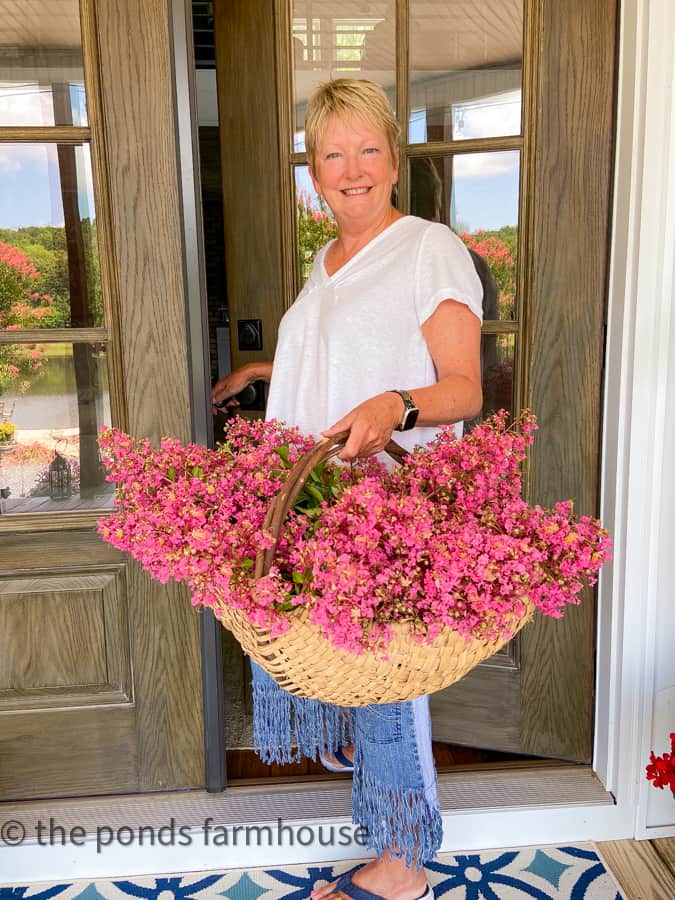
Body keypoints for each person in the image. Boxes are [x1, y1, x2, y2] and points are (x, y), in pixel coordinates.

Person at [211, 78, 483, 900]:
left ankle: (402, 867)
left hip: (384, 507)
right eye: (333, 153)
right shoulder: (326, 260)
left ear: (394, 161)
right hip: (320, 503)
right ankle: (366, 776)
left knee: (387, 682)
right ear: (313, 170)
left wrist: (395, 405)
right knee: (348, 669)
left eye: (367, 148)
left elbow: (462, 389)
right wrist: (267, 368)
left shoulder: (427, 245)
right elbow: (335, 350)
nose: (351, 167)